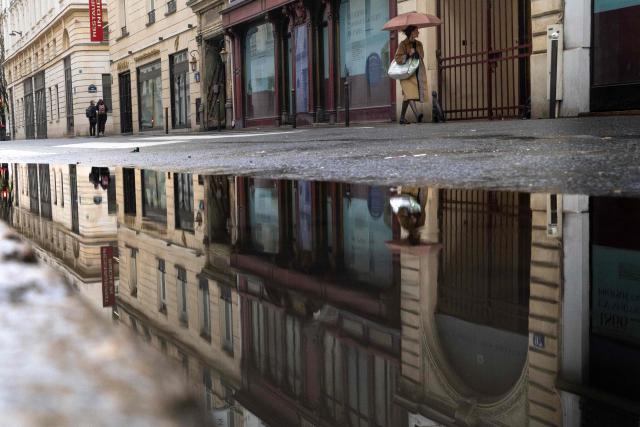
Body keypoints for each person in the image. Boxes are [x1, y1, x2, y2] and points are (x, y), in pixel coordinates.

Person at [394, 26, 427, 124]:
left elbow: (422, 56)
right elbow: (397, 58)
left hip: (415, 72)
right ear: (412, 32)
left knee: (407, 96)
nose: (418, 32)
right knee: (410, 93)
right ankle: (417, 115)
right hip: (405, 73)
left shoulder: (419, 44)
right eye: (416, 30)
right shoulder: (403, 44)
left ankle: (402, 118)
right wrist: (408, 54)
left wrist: (415, 52)